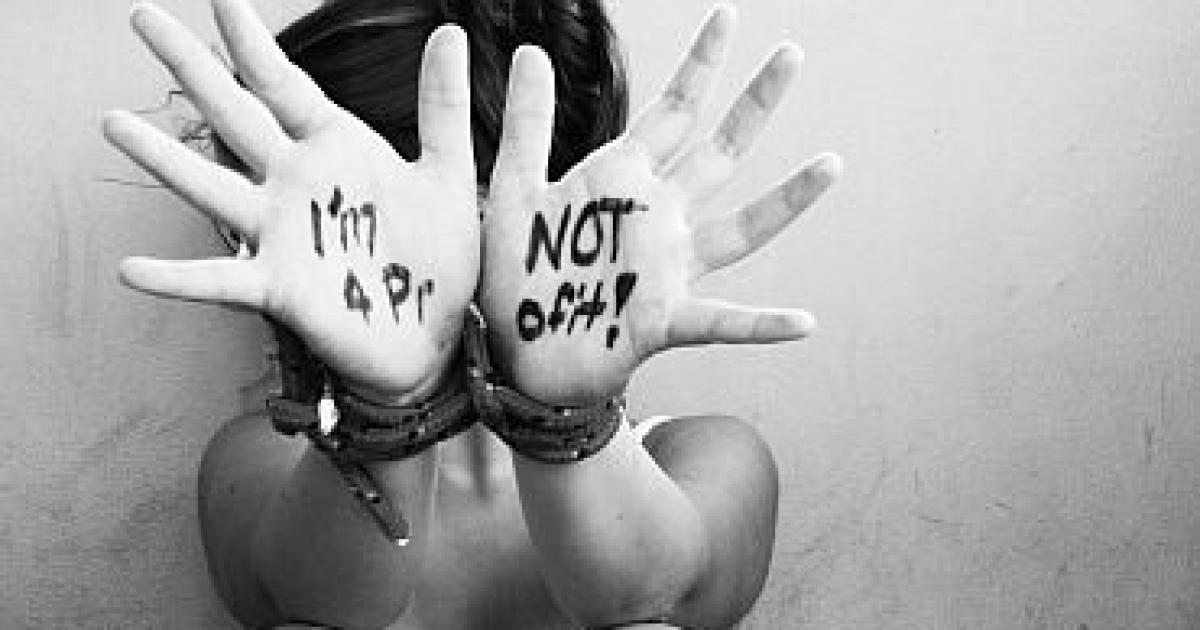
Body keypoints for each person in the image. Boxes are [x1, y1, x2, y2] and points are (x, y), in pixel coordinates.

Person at [102, 0, 841, 628]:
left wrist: (560, 412)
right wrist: (391, 401)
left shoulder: (708, 458)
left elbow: (652, 592)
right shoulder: (259, 462)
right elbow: (309, 597)